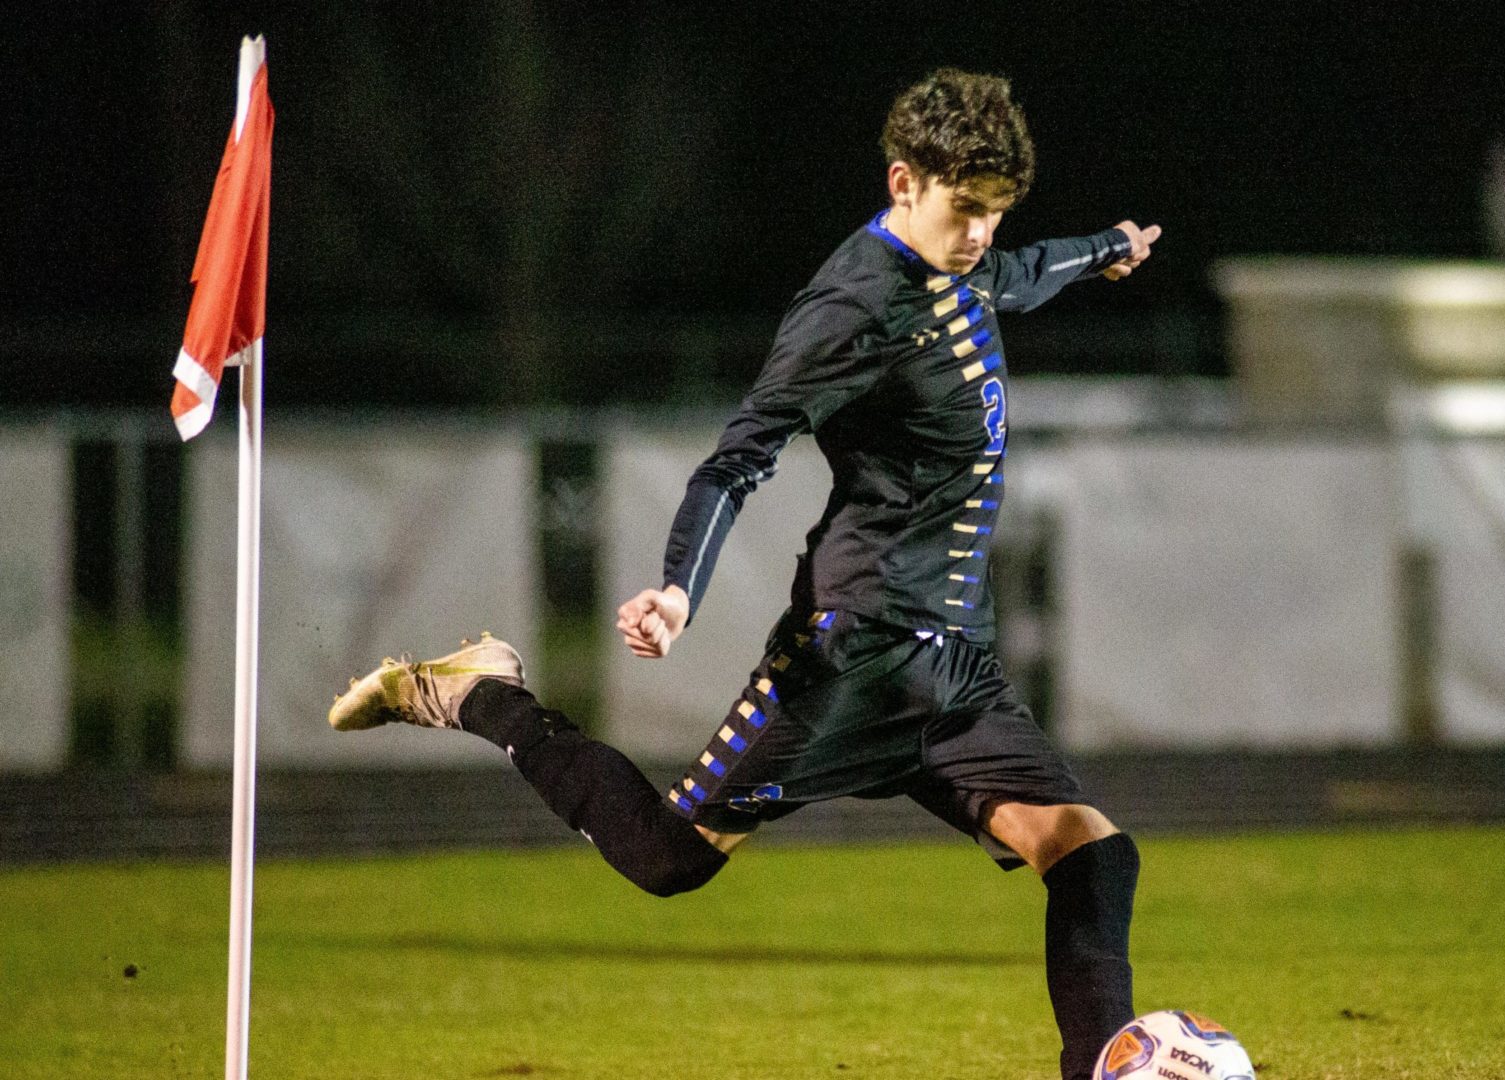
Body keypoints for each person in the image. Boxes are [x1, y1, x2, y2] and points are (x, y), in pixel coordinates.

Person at [329, 67, 1161, 1080]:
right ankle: (483, 694)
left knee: (1090, 850)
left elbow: (1016, 273)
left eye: (994, 212)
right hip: (851, 659)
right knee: (667, 860)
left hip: (955, 667)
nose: (982, 232)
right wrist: (680, 586)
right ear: (905, 183)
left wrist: (1104, 251)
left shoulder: (966, 259)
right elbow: (740, 456)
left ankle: (1106, 1069)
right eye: (966, 210)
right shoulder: (851, 307)